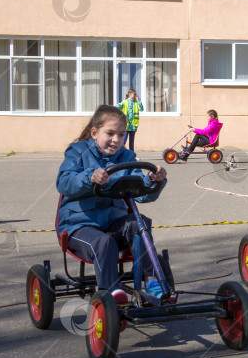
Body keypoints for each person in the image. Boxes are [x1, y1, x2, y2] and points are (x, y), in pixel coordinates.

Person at [56, 105, 167, 309]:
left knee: (138, 223)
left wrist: (153, 180)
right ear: (94, 133)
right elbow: (64, 183)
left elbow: (140, 195)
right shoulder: (78, 152)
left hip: (113, 224)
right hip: (79, 226)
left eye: (121, 134)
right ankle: (110, 293)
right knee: (103, 242)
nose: (116, 140)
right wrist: (89, 177)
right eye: (110, 133)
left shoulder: (127, 157)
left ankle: (152, 281)